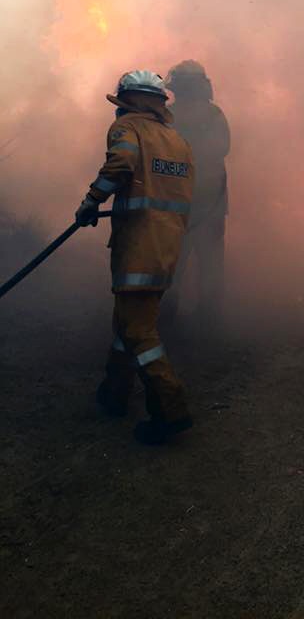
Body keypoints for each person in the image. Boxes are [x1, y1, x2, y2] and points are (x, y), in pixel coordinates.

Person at [75, 70, 195, 446]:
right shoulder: (176, 140)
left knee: (140, 331)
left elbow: (122, 164)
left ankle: (170, 409)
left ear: (128, 101)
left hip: (138, 247)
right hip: (167, 247)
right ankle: (114, 393)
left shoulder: (129, 128)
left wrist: (91, 202)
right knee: (128, 322)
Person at [163, 60, 230, 326]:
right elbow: (223, 148)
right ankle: (209, 319)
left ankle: (169, 317)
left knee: (173, 261)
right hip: (210, 201)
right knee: (210, 262)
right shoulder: (214, 115)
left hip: (178, 203)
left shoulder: (167, 115)